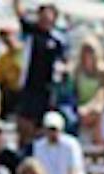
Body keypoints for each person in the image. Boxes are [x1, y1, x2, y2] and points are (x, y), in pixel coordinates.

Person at [12, 0, 65, 147]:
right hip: (29, 85)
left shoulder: (57, 41)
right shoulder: (31, 31)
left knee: (41, 126)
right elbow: (19, 13)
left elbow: (62, 63)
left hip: (45, 89)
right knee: (23, 122)